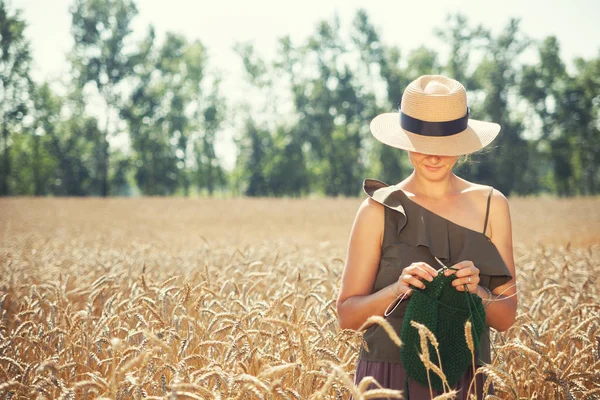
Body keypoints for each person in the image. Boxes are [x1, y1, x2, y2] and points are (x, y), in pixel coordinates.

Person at [336, 75, 518, 399]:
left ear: (461, 142)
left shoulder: (493, 205)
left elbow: (505, 317)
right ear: (406, 139)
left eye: (445, 146)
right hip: (387, 380)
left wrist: (475, 291)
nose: (433, 156)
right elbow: (348, 316)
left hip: (464, 379)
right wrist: (397, 289)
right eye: (422, 144)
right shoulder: (377, 209)